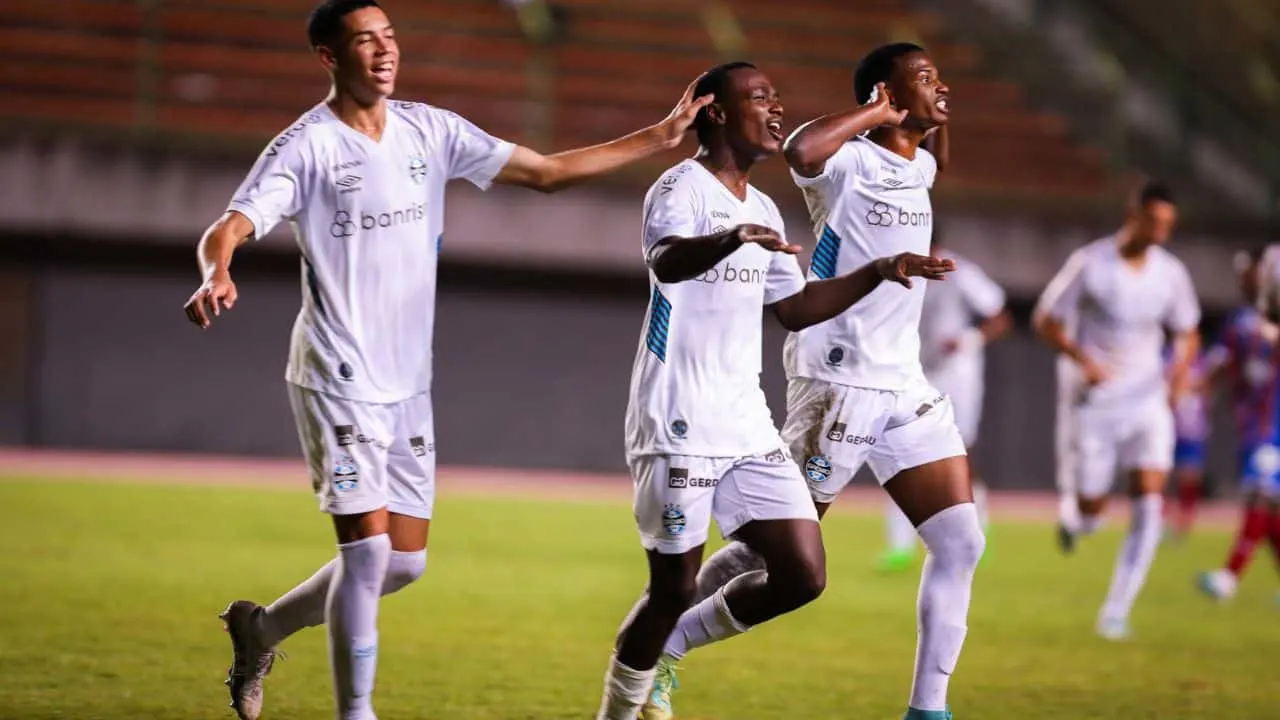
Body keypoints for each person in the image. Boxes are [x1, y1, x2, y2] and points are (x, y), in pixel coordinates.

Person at [180, 2, 716, 718]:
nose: (383, 51)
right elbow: (232, 223)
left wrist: (659, 136)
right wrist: (217, 270)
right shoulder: (306, 147)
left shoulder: (430, 130)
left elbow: (548, 172)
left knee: (403, 562)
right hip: (337, 375)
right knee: (366, 557)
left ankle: (262, 628)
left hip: (408, 382)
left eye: (389, 37)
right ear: (329, 57)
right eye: (364, 41)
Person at [594, 60, 954, 720]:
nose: (775, 107)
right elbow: (666, 260)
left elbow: (795, 308)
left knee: (802, 574)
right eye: (759, 98)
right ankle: (619, 710)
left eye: (776, 96)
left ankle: (666, 663)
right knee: (672, 589)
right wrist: (727, 239)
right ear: (719, 113)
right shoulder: (681, 188)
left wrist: (879, 269)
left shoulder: (762, 206)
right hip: (677, 416)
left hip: (744, 421)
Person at [1033, 180, 1200, 640]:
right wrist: (1083, 361)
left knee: (1150, 500)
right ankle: (1075, 516)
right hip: (1099, 403)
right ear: (1134, 215)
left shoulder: (1171, 273)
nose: (1161, 231)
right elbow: (1045, 319)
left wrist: (1180, 375)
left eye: (1169, 224)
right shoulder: (1091, 264)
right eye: (1155, 221)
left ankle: (1116, 609)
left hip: (1147, 402)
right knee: (1093, 513)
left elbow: (1189, 330)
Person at [881, 229, 1010, 571]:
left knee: (962, 452)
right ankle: (899, 546)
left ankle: (978, 528)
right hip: (911, 372)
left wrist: (969, 339)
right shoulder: (896, 270)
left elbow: (1000, 316)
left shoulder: (959, 272)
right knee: (898, 449)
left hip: (956, 376)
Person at [1197, 248, 1280, 599]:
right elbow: (1217, 363)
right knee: (1271, 507)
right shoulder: (1237, 322)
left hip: (1274, 428)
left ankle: (1229, 578)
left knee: (1259, 496)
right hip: (1250, 426)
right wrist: (1194, 389)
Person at [1166, 346, 1210, 540]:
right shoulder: (1166, 354)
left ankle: (1186, 519)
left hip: (1193, 426)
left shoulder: (1201, 359)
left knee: (1190, 474)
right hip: (1169, 425)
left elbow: (1207, 385)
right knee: (1163, 474)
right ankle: (1163, 518)